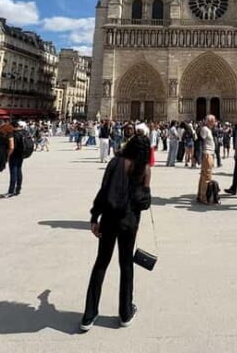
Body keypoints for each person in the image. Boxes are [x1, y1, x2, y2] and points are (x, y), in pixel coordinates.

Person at [80, 122, 151, 332]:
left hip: (109, 219)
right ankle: (125, 313)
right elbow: (144, 203)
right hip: (129, 223)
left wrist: (95, 216)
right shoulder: (145, 169)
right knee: (126, 265)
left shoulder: (114, 163)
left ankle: (88, 316)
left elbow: (103, 192)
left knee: (101, 264)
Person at [197, 115, 217, 204]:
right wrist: (198, 155)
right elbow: (200, 141)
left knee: (203, 176)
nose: (215, 122)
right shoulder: (205, 129)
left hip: (209, 154)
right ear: (210, 121)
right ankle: (203, 197)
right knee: (207, 177)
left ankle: (200, 195)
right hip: (207, 154)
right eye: (214, 121)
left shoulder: (208, 129)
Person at [8, 121, 31, 197]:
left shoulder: (13, 133)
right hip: (22, 154)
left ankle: (11, 190)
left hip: (14, 154)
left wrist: (8, 156)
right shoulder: (24, 132)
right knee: (19, 170)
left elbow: (11, 147)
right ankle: (18, 188)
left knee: (13, 172)